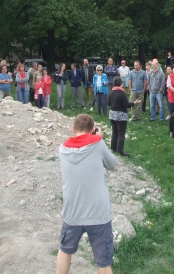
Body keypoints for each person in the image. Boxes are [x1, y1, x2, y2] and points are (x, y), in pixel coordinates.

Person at [56, 114, 116, 274]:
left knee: (65, 249)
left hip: (72, 211)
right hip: (98, 212)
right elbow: (112, 164)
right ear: (92, 129)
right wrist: (99, 138)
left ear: (73, 128)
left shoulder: (62, 149)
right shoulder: (98, 144)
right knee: (103, 261)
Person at [108, 77, 141, 157]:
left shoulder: (111, 92)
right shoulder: (122, 93)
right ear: (121, 84)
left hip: (112, 114)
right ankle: (120, 151)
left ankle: (113, 148)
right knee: (121, 134)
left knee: (114, 132)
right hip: (121, 116)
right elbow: (126, 105)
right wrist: (134, 103)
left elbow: (108, 103)